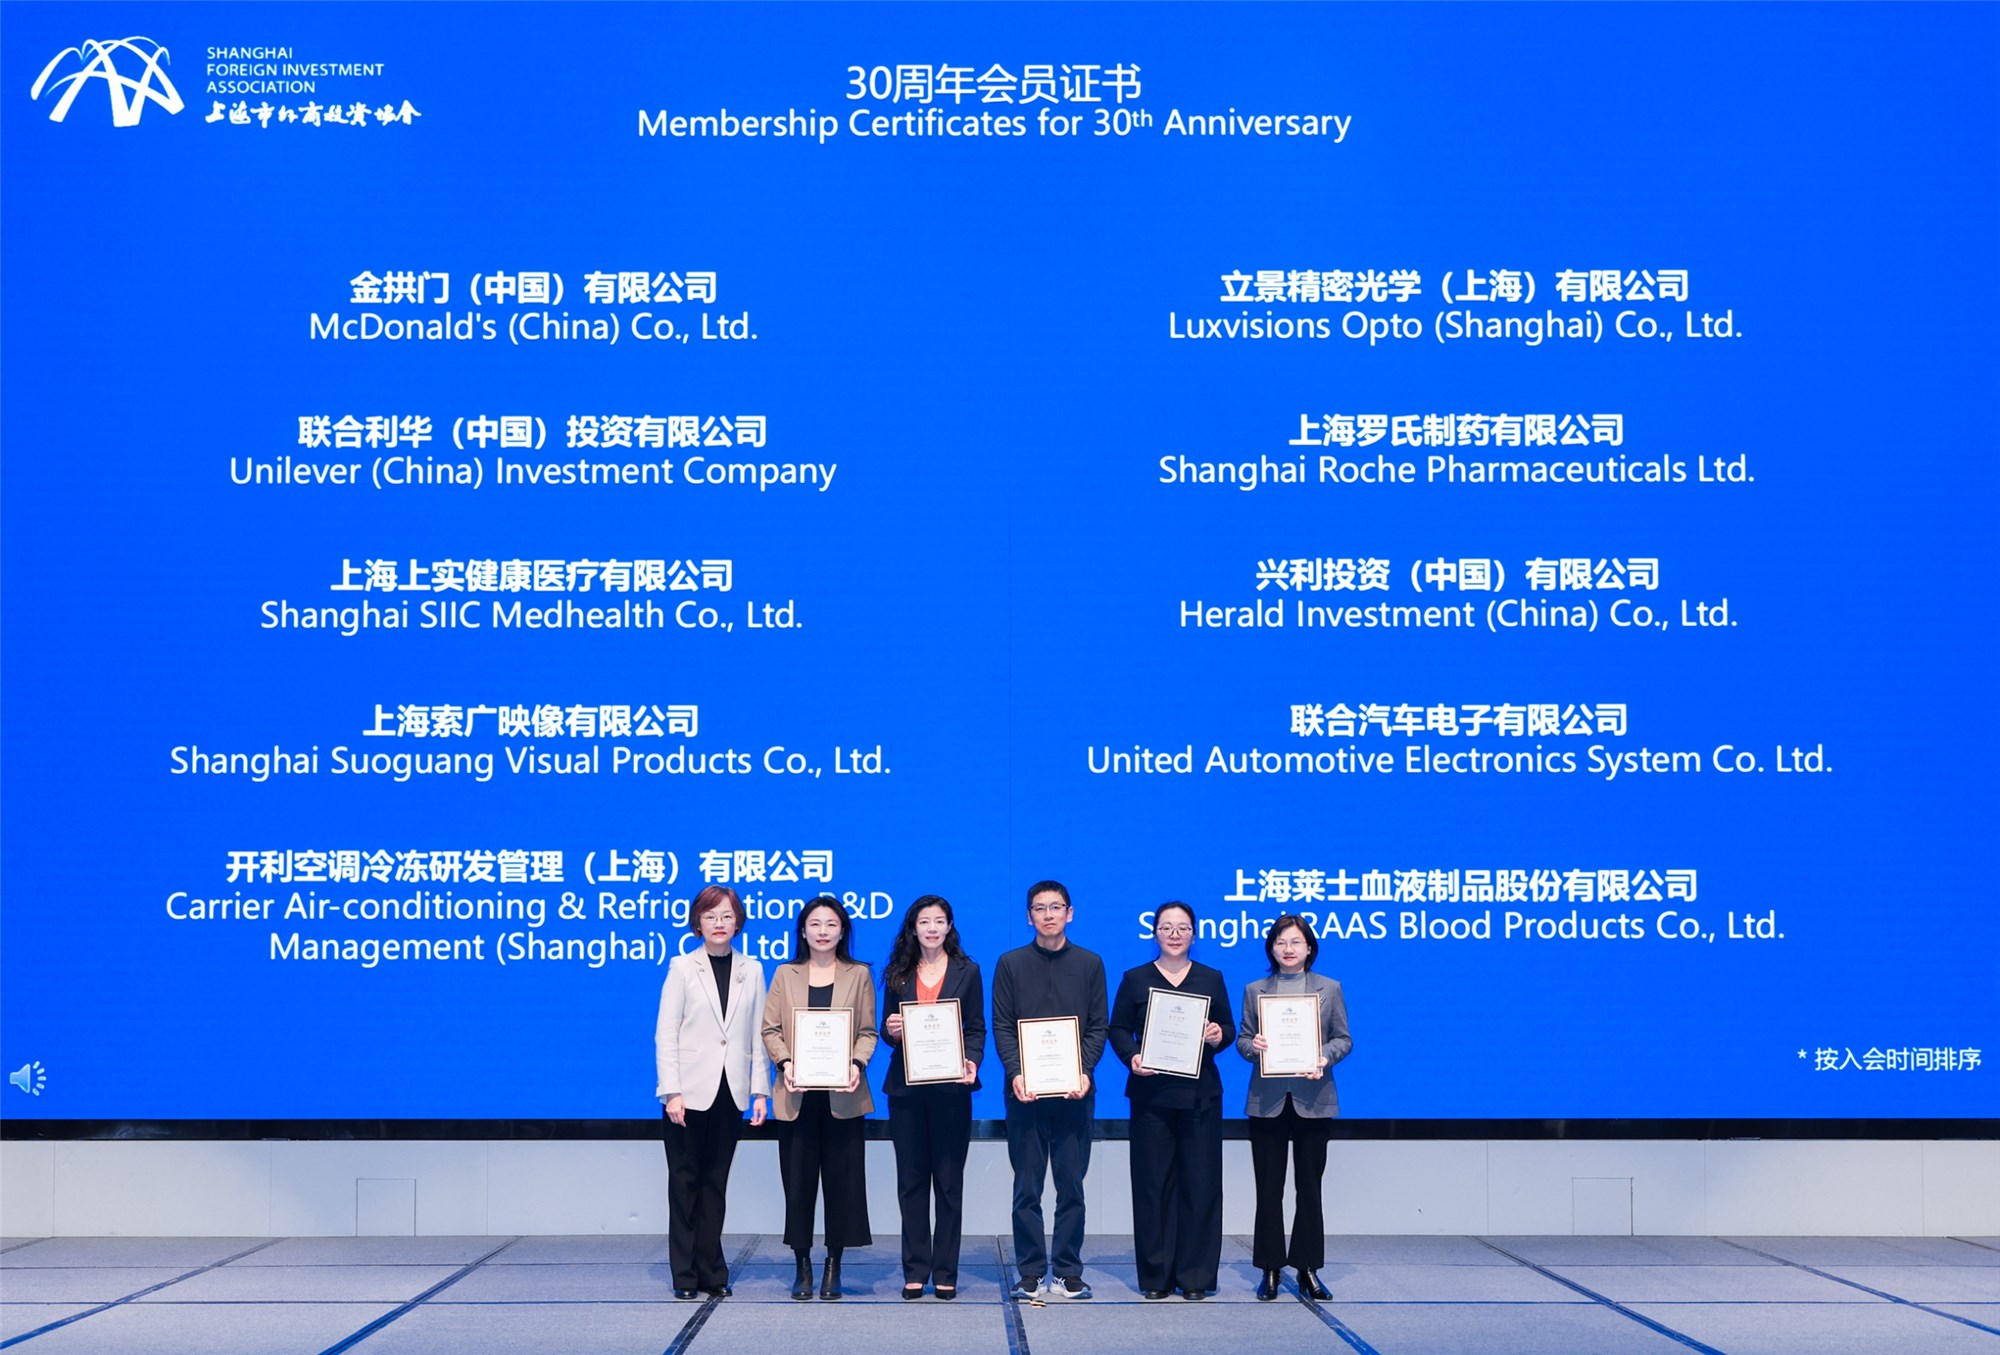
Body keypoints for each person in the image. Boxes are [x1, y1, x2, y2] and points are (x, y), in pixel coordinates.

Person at [1107, 901, 1235, 1300]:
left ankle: (1195, 1275)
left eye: (1182, 927)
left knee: (1201, 1184)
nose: (1175, 934)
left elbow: (1228, 1027)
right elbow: (1117, 1028)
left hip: (1201, 1096)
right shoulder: (1135, 978)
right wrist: (1132, 1056)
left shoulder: (1211, 977)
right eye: (1166, 927)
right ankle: (1156, 1276)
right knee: (1152, 1184)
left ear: (1194, 934)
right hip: (1151, 1096)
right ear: (1155, 933)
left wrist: (1218, 1035)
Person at [991, 879, 1108, 1302]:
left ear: (1069, 913)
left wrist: (1084, 1071)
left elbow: (1098, 1026)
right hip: (1025, 1094)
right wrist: (1016, 1072)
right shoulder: (1010, 964)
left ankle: (1067, 1271)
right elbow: (1003, 1025)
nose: (1048, 914)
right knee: (1027, 1189)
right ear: (1029, 917)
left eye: (1056, 907)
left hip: (1075, 1095)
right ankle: (1030, 1272)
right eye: (1039, 908)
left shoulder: (1090, 963)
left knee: (1071, 1187)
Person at [655, 885, 771, 1300]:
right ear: (698, 923)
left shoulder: (752, 970)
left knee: (715, 1184)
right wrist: (671, 1091)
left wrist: (761, 1091)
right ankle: (685, 1275)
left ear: (738, 922)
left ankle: (712, 1271)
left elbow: (759, 1035)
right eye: (710, 916)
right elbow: (666, 1033)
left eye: (726, 915)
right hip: (687, 1095)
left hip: (731, 1092)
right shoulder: (682, 967)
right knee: (684, 1183)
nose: (719, 923)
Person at [762, 895, 877, 1300]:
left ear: (842, 931)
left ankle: (833, 1265)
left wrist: (856, 1064)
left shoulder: (859, 974)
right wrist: (786, 1063)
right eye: (815, 924)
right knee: (798, 1186)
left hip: (843, 1096)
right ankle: (802, 1266)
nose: (823, 931)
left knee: (842, 1185)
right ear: (803, 931)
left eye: (831, 924)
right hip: (796, 1096)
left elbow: (867, 1032)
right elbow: (770, 1030)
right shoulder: (785, 974)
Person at [1236, 914, 1352, 1302]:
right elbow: (1243, 1040)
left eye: (1295, 942)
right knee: (1269, 1189)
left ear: (1309, 948)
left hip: (1314, 1100)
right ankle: (1270, 1268)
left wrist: (1324, 1056)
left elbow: (1344, 1039)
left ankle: (1307, 1267)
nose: (1288, 949)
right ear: (1271, 948)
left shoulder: (1329, 988)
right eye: (1281, 942)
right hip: (1267, 1101)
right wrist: (1254, 1047)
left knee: (1309, 1188)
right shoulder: (1255, 989)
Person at [880, 894, 985, 1301]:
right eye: (924, 921)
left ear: (950, 926)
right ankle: (915, 1269)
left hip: (951, 1089)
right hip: (906, 1089)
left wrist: (971, 1060)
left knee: (948, 1182)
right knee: (911, 1182)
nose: (932, 928)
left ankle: (945, 1270)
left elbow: (975, 1027)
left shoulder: (968, 971)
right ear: (913, 927)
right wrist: (892, 1030)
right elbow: (887, 1029)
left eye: (939, 921)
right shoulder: (897, 973)